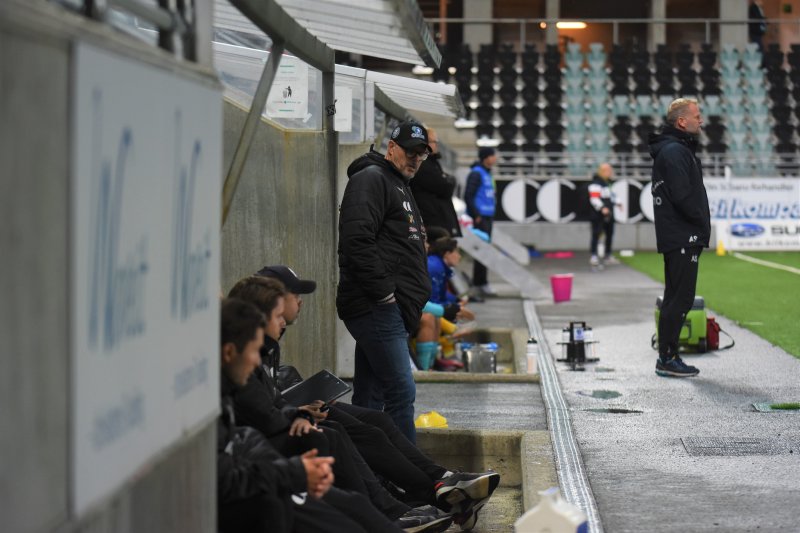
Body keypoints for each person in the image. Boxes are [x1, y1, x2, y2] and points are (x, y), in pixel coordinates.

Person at [262, 265, 500, 530]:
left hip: (288, 411)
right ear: (273, 300)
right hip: (278, 425)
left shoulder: (267, 337)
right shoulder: (251, 340)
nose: (300, 301)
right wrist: (296, 412)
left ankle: (440, 482)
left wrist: (300, 404)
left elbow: (267, 391)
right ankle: (425, 499)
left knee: (378, 420)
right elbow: (253, 405)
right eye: (295, 295)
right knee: (343, 431)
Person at [228, 276, 452, 532]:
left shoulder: (260, 350)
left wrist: (298, 415)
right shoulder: (240, 366)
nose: (299, 303)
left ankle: (421, 491)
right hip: (265, 467)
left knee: (368, 425)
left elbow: (271, 405)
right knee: (331, 438)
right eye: (279, 313)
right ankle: (405, 502)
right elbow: (259, 420)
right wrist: (295, 439)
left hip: (272, 454)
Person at [219, 298, 401, 533]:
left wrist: (298, 417)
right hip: (256, 498)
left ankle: (413, 496)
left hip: (265, 482)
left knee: (354, 496)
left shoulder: (228, 386)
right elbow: (226, 478)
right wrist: (294, 472)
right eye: (254, 351)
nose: (256, 361)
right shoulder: (213, 398)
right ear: (229, 352)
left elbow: (253, 432)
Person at [337, 120, 432, 444]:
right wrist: (385, 295)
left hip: (391, 308)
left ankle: (365, 465)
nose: (415, 159)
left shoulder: (398, 183)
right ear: (391, 148)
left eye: (421, 154)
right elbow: (356, 240)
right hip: (377, 307)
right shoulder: (371, 179)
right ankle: (411, 468)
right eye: (410, 152)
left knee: (369, 396)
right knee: (401, 391)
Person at [648, 98, 710, 378]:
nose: (701, 120)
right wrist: (700, 220)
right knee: (680, 298)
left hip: (679, 234)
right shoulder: (674, 151)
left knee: (676, 297)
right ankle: (667, 357)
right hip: (683, 234)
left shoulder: (674, 149)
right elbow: (683, 195)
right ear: (682, 122)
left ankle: (668, 356)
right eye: (697, 115)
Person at [409, 127, 462, 237]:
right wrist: (449, 180)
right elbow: (445, 187)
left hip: (437, 221)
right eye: (434, 141)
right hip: (432, 223)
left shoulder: (433, 163)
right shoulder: (424, 165)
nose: (437, 145)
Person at [464, 147, 498, 296]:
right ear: (486, 157)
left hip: (488, 216)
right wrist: (476, 215)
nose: (495, 158)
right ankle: (480, 283)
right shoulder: (476, 173)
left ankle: (481, 282)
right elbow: (468, 195)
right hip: (481, 217)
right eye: (492, 155)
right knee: (482, 251)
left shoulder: (487, 173)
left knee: (485, 250)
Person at [588, 162, 620, 268]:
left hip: (609, 213)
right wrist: (602, 208)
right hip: (598, 214)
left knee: (609, 234)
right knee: (596, 234)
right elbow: (594, 198)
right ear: (602, 171)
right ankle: (594, 255)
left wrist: (618, 203)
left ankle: (608, 255)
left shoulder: (608, 183)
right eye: (608, 170)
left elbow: (612, 195)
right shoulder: (596, 183)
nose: (610, 172)